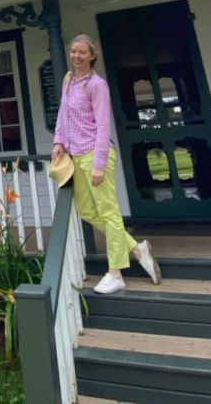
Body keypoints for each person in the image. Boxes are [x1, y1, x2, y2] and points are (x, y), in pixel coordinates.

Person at [52, 33, 162, 294]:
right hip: (74, 156)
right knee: (88, 212)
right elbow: (62, 113)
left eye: (82, 52)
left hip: (94, 154)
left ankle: (115, 273)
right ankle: (136, 248)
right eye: (73, 52)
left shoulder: (96, 85)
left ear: (92, 56)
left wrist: (99, 164)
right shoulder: (69, 80)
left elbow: (103, 126)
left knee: (109, 212)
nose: (76, 56)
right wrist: (59, 141)